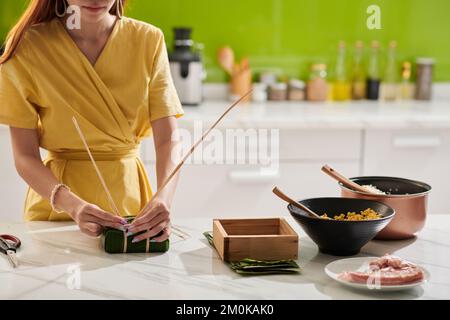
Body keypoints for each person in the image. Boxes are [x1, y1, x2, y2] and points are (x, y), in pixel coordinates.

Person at [0, 0, 184, 244]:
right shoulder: (27, 45)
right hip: (55, 209)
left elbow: (167, 141)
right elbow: (25, 156)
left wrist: (163, 198)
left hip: (129, 203)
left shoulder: (148, 40)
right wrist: (72, 205)